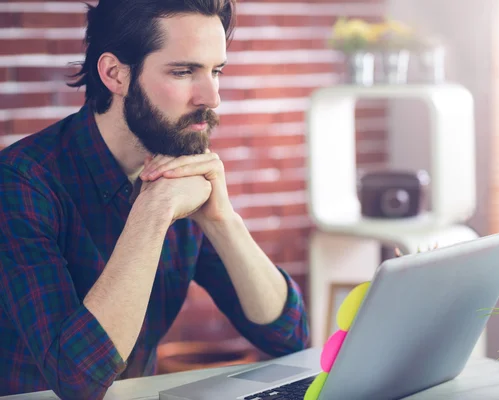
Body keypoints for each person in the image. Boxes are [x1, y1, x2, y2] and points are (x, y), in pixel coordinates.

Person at [0, 0, 309, 398]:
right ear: (115, 74)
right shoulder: (22, 182)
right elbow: (76, 380)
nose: (211, 97)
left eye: (216, 71)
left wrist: (221, 219)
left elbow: (289, 335)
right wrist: (153, 211)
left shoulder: (182, 174)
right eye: (183, 72)